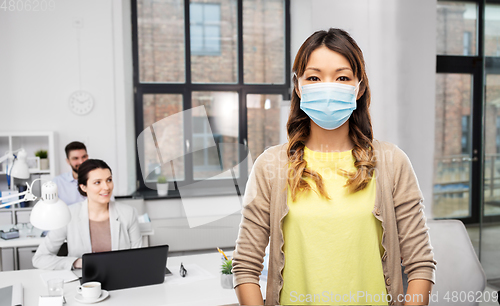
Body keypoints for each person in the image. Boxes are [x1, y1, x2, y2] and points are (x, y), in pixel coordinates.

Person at [232, 28, 436, 306]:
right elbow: (245, 266)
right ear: (299, 86)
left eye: (342, 77)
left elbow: (420, 264)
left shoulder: (392, 162)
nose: (328, 87)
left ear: (359, 87)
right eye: (314, 77)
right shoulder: (270, 165)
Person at [32, 159, 142, 270]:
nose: (106, 187)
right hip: (83, 283)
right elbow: (39, 258)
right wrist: (77, 262)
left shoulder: (128, 213)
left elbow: (139, 257)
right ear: (83, 187)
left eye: (109, 180)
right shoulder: (69, 214)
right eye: (97, 182)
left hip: (120, 278)